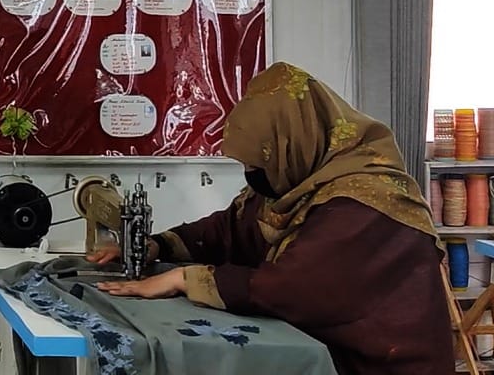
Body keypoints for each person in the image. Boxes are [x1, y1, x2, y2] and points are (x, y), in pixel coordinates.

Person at [90, 62, 452, 375]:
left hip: (381, 364)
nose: (252, 173)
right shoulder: (294, 186)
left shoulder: (369, 203)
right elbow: (227, 230)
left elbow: (298, 287)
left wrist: (186, 278)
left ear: (292, 144)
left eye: (258, 162)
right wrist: (157, 245)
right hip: (324, 352)